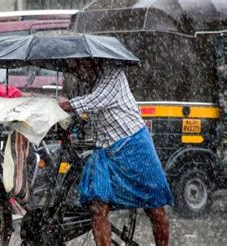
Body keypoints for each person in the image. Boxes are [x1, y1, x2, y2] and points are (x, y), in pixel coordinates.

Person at [58, 60, 173, 246]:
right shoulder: (86, 81)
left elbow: (96, 100)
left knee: (155, 208)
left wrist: (67, 105)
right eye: (73, 67)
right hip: (105, 151)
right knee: (97, 209)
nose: (77, 71)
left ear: (92, 62)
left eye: (79, 65)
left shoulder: (113, 74)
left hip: (134, 145)